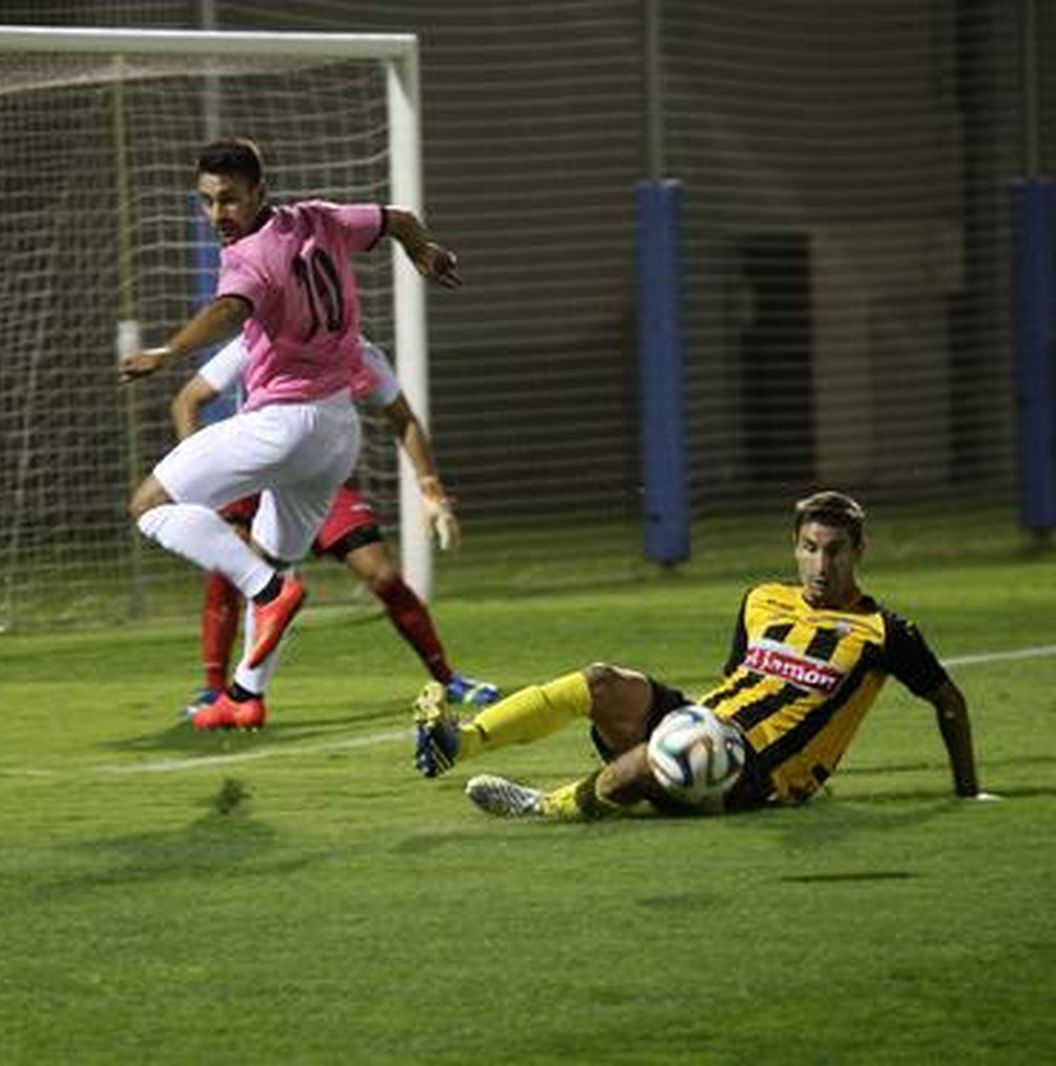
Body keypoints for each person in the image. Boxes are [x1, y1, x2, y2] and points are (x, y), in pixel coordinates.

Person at [121, 137, 461, 731]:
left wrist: (168, 350)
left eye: (229, 200)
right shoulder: (321, 218)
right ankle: (246, 695)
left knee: (150, 505)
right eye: (206, 202)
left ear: (259, 193)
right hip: (335, 433)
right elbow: (399, 220)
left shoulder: (248, 256)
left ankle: (266, 592)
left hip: (284, 424)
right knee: (276, 556)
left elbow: (229, 310)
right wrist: (422, 252)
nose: (217, 215)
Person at [412, 491, 994, 818]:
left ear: (859, 550)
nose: (821, 565)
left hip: (762, 775)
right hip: (710, 724)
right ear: (795, 547)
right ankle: (458, 743)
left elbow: (949, 701)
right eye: (810, 549)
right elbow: (739, 677)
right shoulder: (762, 600)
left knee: (658, 756)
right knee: (601, 681)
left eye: (836, 551)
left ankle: (545, 806)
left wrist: (968, 792)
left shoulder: (882, 631)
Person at [171, 334, 499, 727]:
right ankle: (214, 690)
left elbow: (403, 418)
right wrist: (202, 479)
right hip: (256, 470)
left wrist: (430, 488)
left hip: (317, 477)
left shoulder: (357, 350)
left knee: (383, 575)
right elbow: (187, 401)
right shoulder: (257, 339)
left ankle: (447, 679)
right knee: (231, 569)